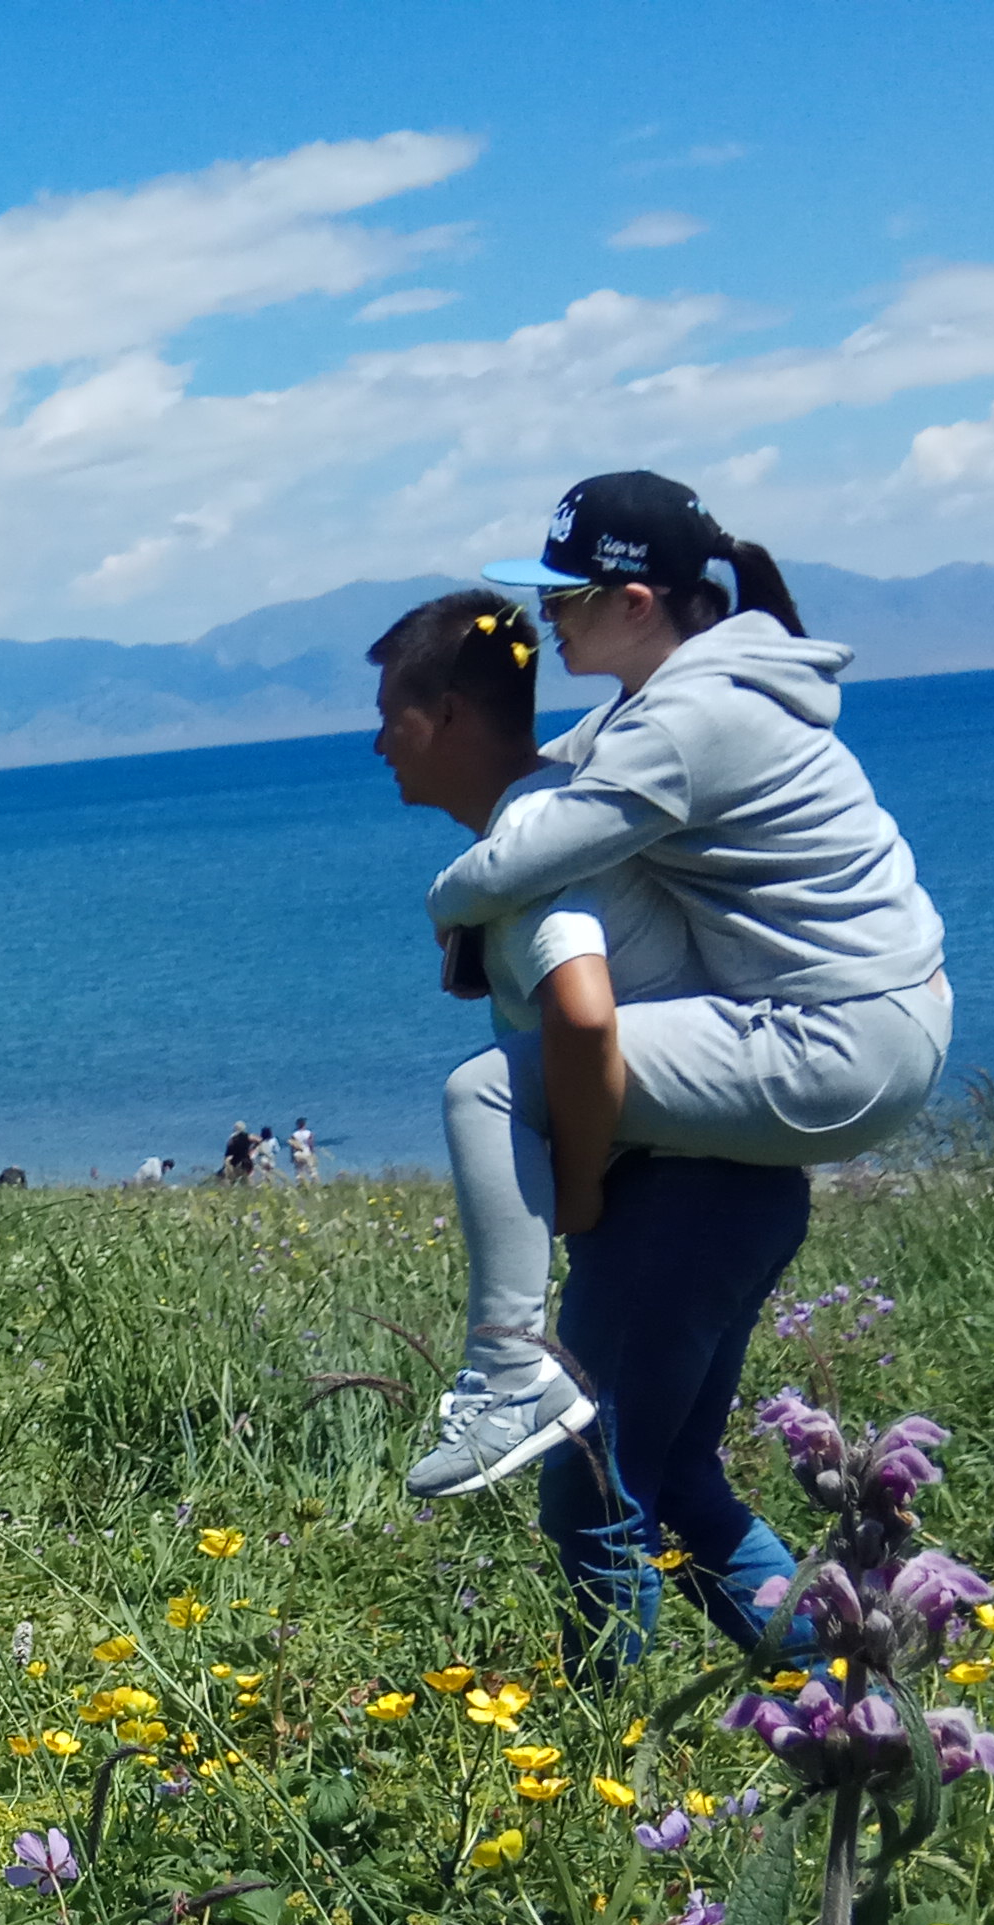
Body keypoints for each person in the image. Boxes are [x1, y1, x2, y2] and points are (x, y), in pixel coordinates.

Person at [403, 471, 951, 1495]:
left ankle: (508, 1376)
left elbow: (522, 854)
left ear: (634, 604)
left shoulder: (688, 721)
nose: (544, 622)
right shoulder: (679, 695)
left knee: (482, 1090)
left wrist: (445, 909)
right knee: (667, 1476)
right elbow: (541, 785)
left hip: (836, 1044)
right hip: (876, 1021)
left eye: (559, 600)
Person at [368, 586, 810, 1668]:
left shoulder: (532, 843)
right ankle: (848, 1698)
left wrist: (575, 1190)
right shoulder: (560, 806)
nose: (376, 739)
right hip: (740, 1186)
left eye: (392, 711)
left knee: (593, 1491)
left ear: (452, 716)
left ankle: (605, 1771)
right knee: (674, 1477)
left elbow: (578, 1005)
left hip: (679, 1193)